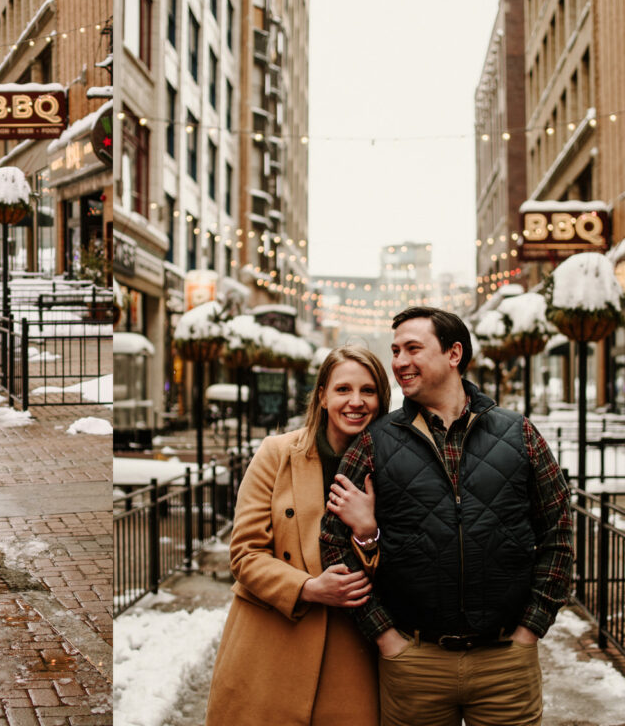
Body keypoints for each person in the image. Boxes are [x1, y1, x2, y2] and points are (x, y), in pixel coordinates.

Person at [320, 306, 573, 726]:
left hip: (505, 664)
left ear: (454, 354)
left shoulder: (519, 433)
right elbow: (332, 542)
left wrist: (531, 630)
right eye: (396, 350)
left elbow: (558, 533)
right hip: (414, 662)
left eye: (413, 348)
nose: (399, 361)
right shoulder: (374, 442)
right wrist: (385, 637)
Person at [206, 345, 391, 726]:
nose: (355, 401)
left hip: (351, 651)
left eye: (368, 391)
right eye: (343, 389)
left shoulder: (394, 465)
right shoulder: (277, 454)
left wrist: (368, 533)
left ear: (381, 398)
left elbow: (411, 561)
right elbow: (244, 554)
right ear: (322, 395)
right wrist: (308, 588)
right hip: (271, 643)